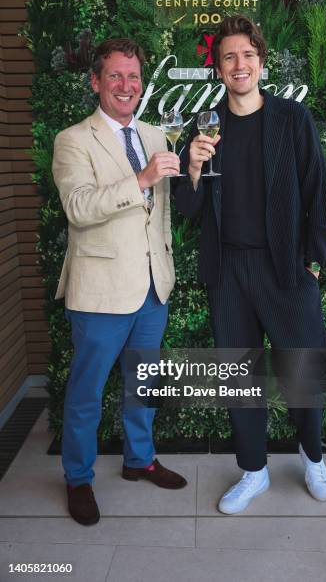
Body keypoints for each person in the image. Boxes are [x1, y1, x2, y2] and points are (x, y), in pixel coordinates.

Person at [174, 15, 326, 514]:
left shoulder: (290, 118)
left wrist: (314, 261)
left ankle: (312, 456)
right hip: (229, 274)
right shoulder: (207, 126)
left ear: (260, 62)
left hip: (285, 268)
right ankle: (254, 470)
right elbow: (188, 208)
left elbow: (318, 192)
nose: (238, 64)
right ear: (218, 68)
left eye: (246, 54)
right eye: (228, 57)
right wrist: (193, 168)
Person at [52, 38, 187, 527]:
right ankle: (78, 478)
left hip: (153, 288)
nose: (126, 86)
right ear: (95, 81)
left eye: (133, 77)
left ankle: (139, 460)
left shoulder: (156, 135)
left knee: (142, 385)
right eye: (115, 76)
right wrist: (142, 180)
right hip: (101, 292)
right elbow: (80, 208)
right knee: (87, 392)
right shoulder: (73, 139)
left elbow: (164, 211)